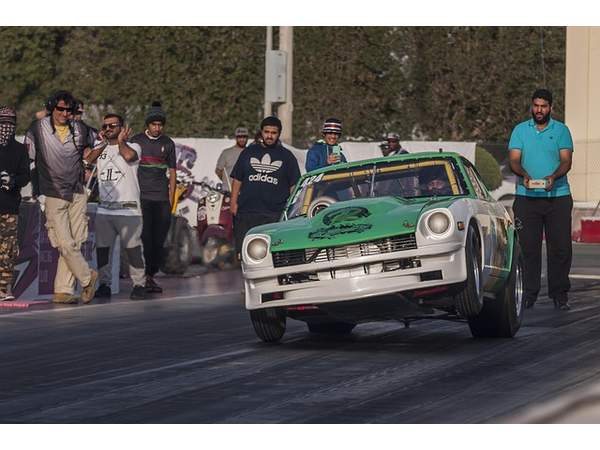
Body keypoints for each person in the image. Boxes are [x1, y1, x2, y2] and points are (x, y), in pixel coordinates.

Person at [24, 90, 98, 304]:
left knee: (75, 241)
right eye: (60, 109)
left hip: (78, 191)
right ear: (51, 108)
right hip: (53, 193)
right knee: (64, 242)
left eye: (69, 110)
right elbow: (29, 161)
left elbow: (99, 143)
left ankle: (63, 290)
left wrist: (89, 162)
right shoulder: (37, 129)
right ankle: (87, 277)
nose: (65, 113)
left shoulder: (81, 129)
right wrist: (37, 191)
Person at [508, 88, 574, 311]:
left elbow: (566, 161)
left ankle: (559, 294)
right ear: (531, 106)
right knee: (528, 249)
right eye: (536, 105)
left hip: (558, 198)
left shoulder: (561, 130)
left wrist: (553, 177)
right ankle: (528, 294)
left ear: (550, 108)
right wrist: (524, 175)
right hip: (526, 199)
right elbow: (514, 160)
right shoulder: (520, 130)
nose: (539, 110)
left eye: (543, 106)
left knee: (561, 248)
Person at [85, 114, 147, 301]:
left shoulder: (133, 146)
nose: (108, 128)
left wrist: (120, 142)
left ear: (122, 127)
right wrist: (103, 143)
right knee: (103, 250)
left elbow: (129, 156)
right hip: (105, 209)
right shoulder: (101, 148)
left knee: (132, 249)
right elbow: (88, 160)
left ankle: (139, 284)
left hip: (128, 209)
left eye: (113, 125)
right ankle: (104, 284)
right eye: (105, 126)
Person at [230, 116, 301, 255]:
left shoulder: (287, 157)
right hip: (247, 212)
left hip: (274, 214)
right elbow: (237, 179)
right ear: (261, 132)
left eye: (273, 133)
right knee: (244, 252)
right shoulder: (248, 152)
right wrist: (233, 202)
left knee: (270, 253)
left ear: (279, 134)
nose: (269, 136)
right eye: (266, 132)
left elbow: (294, 185)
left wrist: (292, 209)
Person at [130, 101, 176, 294]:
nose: (157, 128)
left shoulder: (168, 143)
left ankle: (151, 275)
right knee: (145, 238)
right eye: (154, 124)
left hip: (162, 199)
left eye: (160, 125)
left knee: (159, 240)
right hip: (143, 198)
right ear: (147, 125)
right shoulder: (137, 141)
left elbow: (172, 172)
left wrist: (171, 199)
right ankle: (143, 277)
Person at [0, 106, 30, 301]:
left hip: (9, 207)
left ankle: (4, 288)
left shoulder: (19, 149)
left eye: (10, 123)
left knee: (8, 250)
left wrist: (11, 180)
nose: (6, 127)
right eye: (2, 123)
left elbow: (25, 176)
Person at [215, 127, 249, 191]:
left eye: (244, 137)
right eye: (239, 137)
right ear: (236, 138)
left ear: (247, 138)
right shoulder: (226, 153)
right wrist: (226, 181)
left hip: (245, 192)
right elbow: (218, 171)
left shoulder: (250, 152)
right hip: (228, 191)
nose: (242, 139)